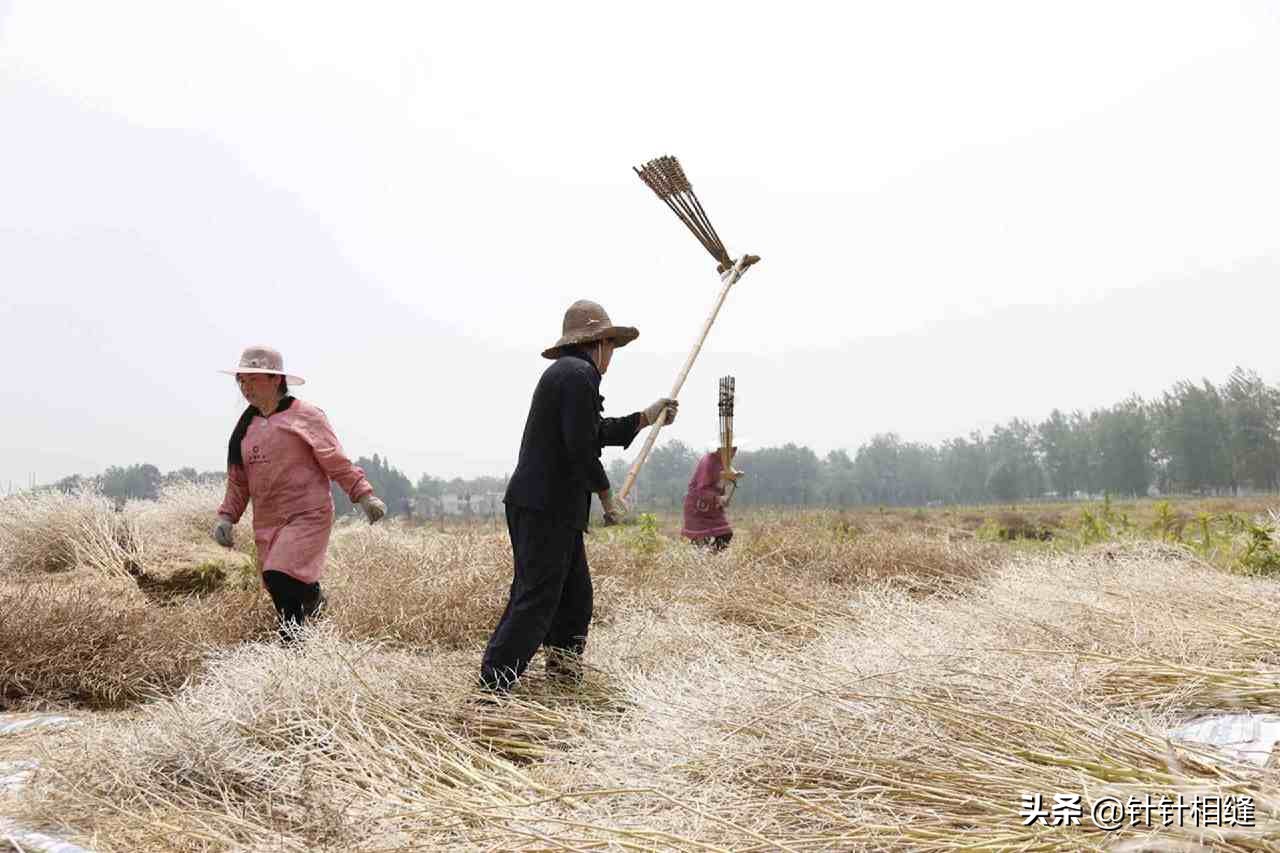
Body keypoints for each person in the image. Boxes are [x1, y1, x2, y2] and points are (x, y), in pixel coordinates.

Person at [479, 300, 677, 692]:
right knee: (536, 599)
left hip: (549, 506)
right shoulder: (577, 375)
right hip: (545, 506)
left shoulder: (569, 374)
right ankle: (492, 688)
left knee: (574, 599)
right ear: (599, 342)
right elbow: (581, 449)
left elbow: (593, 431)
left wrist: (643, 417)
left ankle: (563, 677)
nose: (612, 357)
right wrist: (607, 497)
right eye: (612, 347)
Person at [211, 346, 386, 640]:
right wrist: (226, 516)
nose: (245, 386)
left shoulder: (306, 416)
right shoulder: (245, 428)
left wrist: (364, 495)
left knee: (279, 574)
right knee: (277, 581)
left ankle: (293, 647)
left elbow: (335, 460)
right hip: (267, 519)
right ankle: (313, 597)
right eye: (241, 380)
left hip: (308, 513)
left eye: (252, 379)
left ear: (276, 380)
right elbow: (239, 482)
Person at [682, 448, 736, 551]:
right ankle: (703, 562)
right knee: (701, 544)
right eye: (731, 450)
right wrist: (717, 498)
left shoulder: (723, 462)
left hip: (712, 509)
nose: (733, 453)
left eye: (734, 450)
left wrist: (724, 495)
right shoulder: (708, 461)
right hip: (697, 508)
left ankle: (711, 560)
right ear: (721, 449)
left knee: (725, 534)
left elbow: (719, 485)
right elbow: (701, 489)